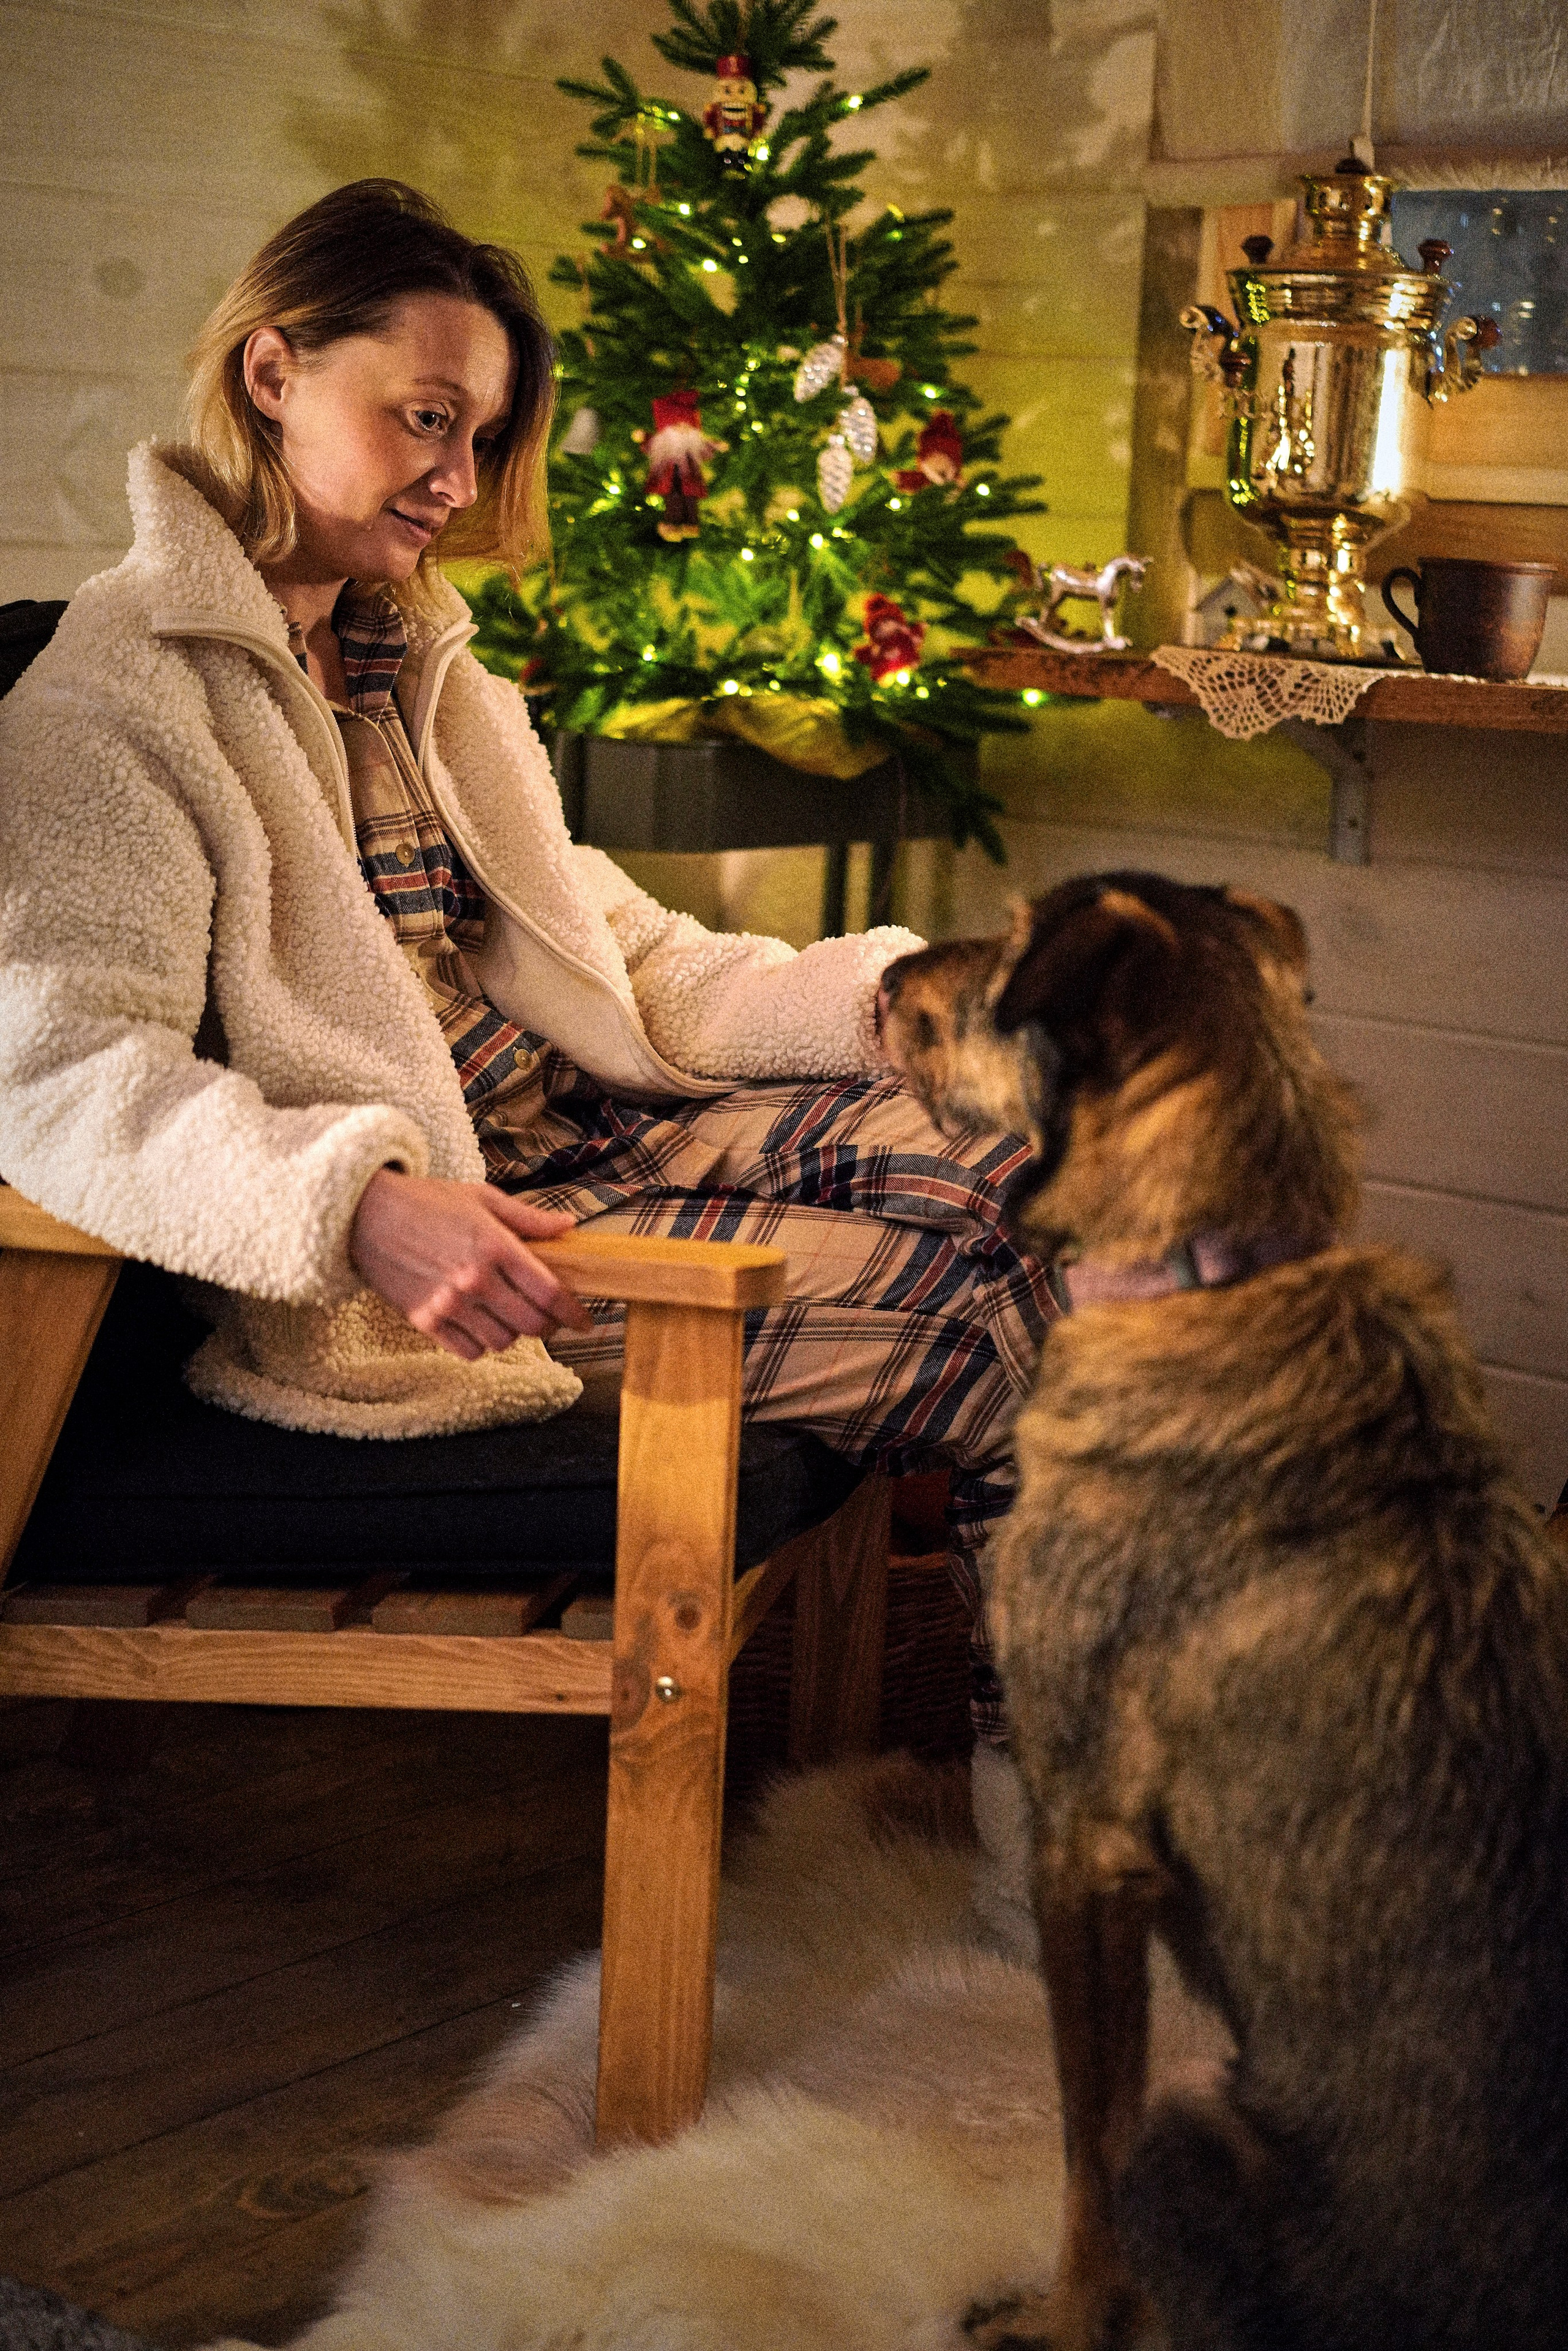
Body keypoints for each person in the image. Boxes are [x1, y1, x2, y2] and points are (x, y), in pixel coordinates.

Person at [0, 180, 1052, 1756]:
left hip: (606, 1134)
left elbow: (615, 951)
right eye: (428, 416)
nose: (458, 477)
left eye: (482, 436)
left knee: (1050, 1165)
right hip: (456, 1253)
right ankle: (1075, 1837)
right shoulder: (115, 705)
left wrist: (905, 1004)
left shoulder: (414, 660)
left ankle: (1116, 1801)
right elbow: (64, 1074)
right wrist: (356, 1201)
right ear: (272, 372)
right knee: (985, 1335)